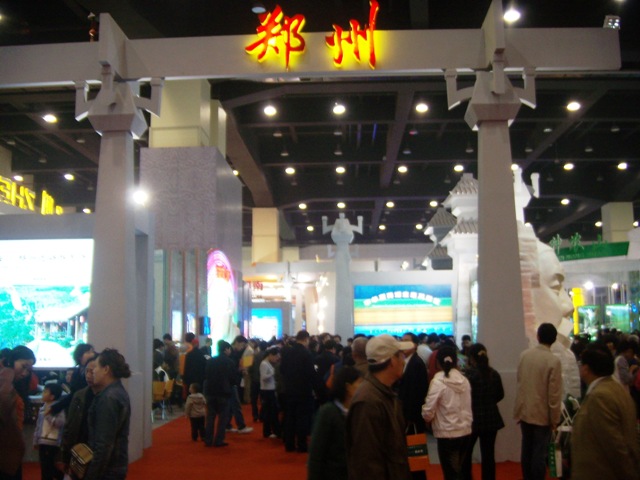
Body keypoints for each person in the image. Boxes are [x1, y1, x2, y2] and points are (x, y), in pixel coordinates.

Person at [346, 334, 413, 480]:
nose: (403, 361)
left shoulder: (384, 393)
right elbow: (367, 461)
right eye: (400, 356)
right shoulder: (368, 401)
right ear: (391, 361)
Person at [571, 342, 640, 479]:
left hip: (601, 472)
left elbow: (615, 445)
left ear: (586, 369)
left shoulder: (600, 397)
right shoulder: (616, 389)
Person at [513, 323, 563, 480]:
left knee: (526, 449)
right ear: (554, 339)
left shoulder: (524, 355)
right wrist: (555, 419)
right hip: (542, 414)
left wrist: (519, 409)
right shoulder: (553, 361)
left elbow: (520, 383)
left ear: (538, 336)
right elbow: (554, 394)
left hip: (525, 410)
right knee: (539, 453)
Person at [422, 345, 472, 480]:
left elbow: (429, 408)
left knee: (450, 473)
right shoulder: (464, 380)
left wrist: (426, 418)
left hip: (446, 432)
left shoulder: (438, 381)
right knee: (460, 471)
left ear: (437, 362)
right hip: (465, 431)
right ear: (456, 361)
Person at [84, 349, 132, 480]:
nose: (93, 371)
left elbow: (104, 444)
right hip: (114, 465)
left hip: (108, 470)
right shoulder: (116, 392)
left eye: (96, 367)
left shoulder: (108, 398)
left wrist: (92, 475)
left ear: (106, 369)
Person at [308, 366, 362, 480]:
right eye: (360, 383)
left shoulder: (358, 411)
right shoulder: (328, 412)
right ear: (348, 387)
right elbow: (316, 453)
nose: (363, 388)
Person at [461, 344, 504, 480]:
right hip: (491, 419)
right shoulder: (494, 374)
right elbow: (500, 395)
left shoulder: (468, 376)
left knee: (466, 454)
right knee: (488, 455)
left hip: (471, 420)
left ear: (471, 358)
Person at [280, 330, 327, 453]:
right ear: (306, 339)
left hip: (289, 389)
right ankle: (301, 445)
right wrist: (318, 390)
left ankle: (289, 444)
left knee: (290, 417)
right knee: (302, 418)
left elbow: (282, 369)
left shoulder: (288, 352)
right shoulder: (306, 354)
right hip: (303, 390)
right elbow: (311, 373)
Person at [0, 345, 36, 480]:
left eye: (29, 370)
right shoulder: (5, 380)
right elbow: (3, 403)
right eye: (23, 366)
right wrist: (8, 371)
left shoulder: (14, 383)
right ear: (11, 361)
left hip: (11, 449)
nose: (25, 373)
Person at [59, 354, 99, 476]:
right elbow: (70, 424)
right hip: (78, 447)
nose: (88, 376)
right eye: (86, 371)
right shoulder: (79, 395)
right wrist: (64, 454)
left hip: (96, 451)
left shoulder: (107, 397)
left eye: (92, 372)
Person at [398, 332, 429, 480]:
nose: (403, 343)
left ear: (415, 345)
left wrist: (411, 417)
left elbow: (418, 392)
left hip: (413, 417)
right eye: (402, 340)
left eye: (407, 341)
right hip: (406, 415)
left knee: (416, 454)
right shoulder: (405, 361)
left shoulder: (417, 363)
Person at [203, 340, 236, 447]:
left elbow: (206, 376)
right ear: (226, 349)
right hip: (224, 392)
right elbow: (233, 379)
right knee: (223, 418)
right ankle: (219, 440)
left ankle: (208, 439)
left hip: (211, 391)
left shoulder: (211, 361)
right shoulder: (230, 362)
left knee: (210, 417)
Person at [49, 343, 95, 416]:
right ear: (79, 356)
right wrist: (55, 408)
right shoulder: (76, 373)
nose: (92, 354)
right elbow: (73, 394)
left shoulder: (95, 371)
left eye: (92, 352)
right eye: (88, 352)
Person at [33, 383, 65, 480]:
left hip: (52, 442)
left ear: (52, 397)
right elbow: (38, 426)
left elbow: (61, 423)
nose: (43, 393)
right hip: (42, 441)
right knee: (44, 466)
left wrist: (48, 416)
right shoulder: (43, 408)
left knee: (48, 466)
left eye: (45, 392)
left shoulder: (57, 408)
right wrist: (36, 440)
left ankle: (63, 476)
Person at [259, 346, 281, 438]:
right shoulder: (264, 364)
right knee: (269, 412)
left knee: (270, 412)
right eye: (276, 357)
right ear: (271, 355)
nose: (276, 359)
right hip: (266, 391)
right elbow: (263, 377)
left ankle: (269, 431)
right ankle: (268, 431)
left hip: (270, 389)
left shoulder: (268, 363)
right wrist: (273, 372)